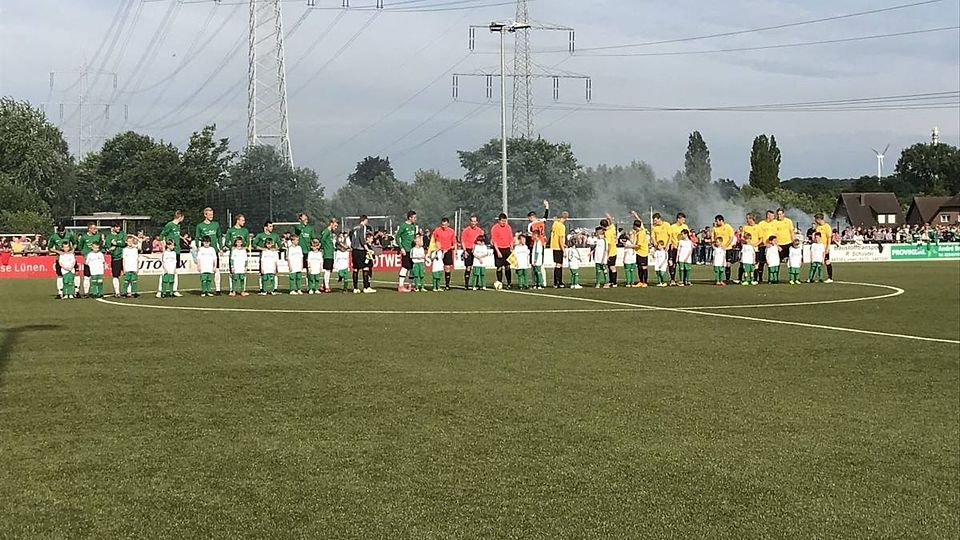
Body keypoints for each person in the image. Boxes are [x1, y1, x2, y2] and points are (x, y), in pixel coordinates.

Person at [195, 207, 223, 295]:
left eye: (212, 214)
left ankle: (218, 289)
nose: (211, 216)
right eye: (209, 214)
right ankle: (205, 290)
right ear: (205, 215)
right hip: (204, 253)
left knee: (217, 270)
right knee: (205, 271)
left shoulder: (216, 224)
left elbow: (219, 236)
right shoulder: (200, 226)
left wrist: (221, 248)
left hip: (214, 251)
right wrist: (198, 246)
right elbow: (197, 237)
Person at [48, 224, 77, 299]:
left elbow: (75, 244)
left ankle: (75, 292)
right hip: (60, 258)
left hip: (70, 258)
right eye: (60, 233)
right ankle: (60, 292)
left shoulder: (69, 235)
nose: (62, 234)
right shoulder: (54, 237)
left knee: (75, 274)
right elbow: (50, 248)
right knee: (60, 275)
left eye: (63, 232)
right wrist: (58, 251)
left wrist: (73, 250)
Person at [76, 222, 104, 297]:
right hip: (88, 260)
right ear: (89, 229)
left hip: (96, 261)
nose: (96, 230)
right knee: (87, 276)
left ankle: (96, 292)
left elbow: (100, 246)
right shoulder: (84, 237)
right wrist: (84, 254)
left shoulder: (98, 236)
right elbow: (80, 247)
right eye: (94, 228)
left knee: (96, 277)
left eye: (96, 228)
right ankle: (86, 293)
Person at [223, 214, 249, 294]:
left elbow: (247, 242)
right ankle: (232, 290)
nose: (244, 222)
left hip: (242, 254)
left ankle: (242, 290)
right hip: (234, 254)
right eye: (242, 220)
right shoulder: (230, 230)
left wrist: (244, 247)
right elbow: (226, 242)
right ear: (238, 221)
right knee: (232, 273)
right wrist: (232, 247)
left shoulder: (245, 230)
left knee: (242, 274)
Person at [253, 221, 281, 293]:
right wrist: (262, 249)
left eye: (272, 226)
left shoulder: (275, 235)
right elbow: (254, 245)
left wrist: (275, 249)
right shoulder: (260, 235)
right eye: (270, 226)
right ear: (266, 227)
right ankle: (262, 289)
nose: (272, 228)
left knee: (274, 272)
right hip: (264, 256)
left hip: (273, 256)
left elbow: (280, 245)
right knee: (262, 273)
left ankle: (274, 288)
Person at [430, 217, 457, 290]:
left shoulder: (451, 231)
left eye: (445, 225)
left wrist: (455, 251)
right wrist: (433, 249)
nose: (444, 226)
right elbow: (433, 240)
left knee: (447, 267)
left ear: (448, 224)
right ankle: (436, 285)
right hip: (439, 251)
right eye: (442, 225)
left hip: (447, 250)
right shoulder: (437, 230)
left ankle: (447, 285)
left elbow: (454, 242)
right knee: (438, 268)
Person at [395, 210, 418, 292]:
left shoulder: (413, 226)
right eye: (414, 217)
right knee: (405, 267)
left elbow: (414, 236)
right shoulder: (403, 226)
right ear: (409, 217)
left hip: (413, 250)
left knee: (412, 268)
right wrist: (401, 248)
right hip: (406, 250)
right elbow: (397, 237)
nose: (415, 219)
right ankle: (401, 286)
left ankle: (410, 285)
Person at [490, 213, 514, 289]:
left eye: (505, 221)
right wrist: (498, 251)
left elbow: (510, 239)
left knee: (508, 266)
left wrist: (511, 248)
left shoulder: (508, 227)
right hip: (499, 249)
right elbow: (494, 241)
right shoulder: (495, 228)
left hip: (507, 249)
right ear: (499, 220)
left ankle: (509, 283)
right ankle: (499, 282)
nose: (504, 223)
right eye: (502, 221)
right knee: (499, 267)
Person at [710, 214, 736, 283]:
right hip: (719, 249)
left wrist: (726, 246)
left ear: (721, 220)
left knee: (727, 264)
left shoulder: (728, 227)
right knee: (718, 263)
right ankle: (718, 279)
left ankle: (727, 279)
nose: (716, 222)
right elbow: (712, 237)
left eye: (717, 221)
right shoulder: (714, 228)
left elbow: (731, 237)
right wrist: (714, 245)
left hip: (727, 248)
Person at [461, 214, 483, 289]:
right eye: (472, 221)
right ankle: (466, 284)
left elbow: (482, 240)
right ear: (470, 222)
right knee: (468, 267)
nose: (473, 223)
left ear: (477, 222)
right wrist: (464, 251)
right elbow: (463, 241)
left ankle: (476, 284)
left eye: (475, 221)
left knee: (477, 267)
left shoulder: (479, 231)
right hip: (468, 250)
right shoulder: (466, 230)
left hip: (476, 250)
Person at [668, 212, 690, 286]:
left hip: (683, 249)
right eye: (682, 219)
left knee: (683, 264)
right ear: (678, 219)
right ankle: (672, 279)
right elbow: (670, 237)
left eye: (684, 220)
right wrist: (671, 244)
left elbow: (688, 237)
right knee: (672, 264)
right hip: (674, 247)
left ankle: (684, 280)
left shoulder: (685, 227)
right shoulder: (672, 227)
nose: (684, 221)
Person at [754, 210, 775, 283]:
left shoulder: (774, 223)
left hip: (772, 246)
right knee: (761, 262)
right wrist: (764, 243)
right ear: (768, 215)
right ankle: (760, 278)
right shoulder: (761, 224)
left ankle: (772, 279)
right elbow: (760, 235)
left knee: (771, 262)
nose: (773, 217)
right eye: (772, 216)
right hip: (763, 246)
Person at [549, 208, 568, 288]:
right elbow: (560, 238)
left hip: (554, 246)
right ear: (566, 218)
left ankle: (557, 282)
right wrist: (563, 249)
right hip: (558, 247)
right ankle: (558, 282)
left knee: (557, 264)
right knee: (559, 265)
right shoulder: (562, 226)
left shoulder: (555, 224)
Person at [738, 213, 759, 284]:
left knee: (754, 265)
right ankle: (741, 279)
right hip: (746, 248)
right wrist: (746, 242)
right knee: (743, 264)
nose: (747, 220)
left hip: (754, 248)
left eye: (748, 218)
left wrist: (754, 245)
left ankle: (754, 279)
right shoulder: (745, 227)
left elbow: (761, 238)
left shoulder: (758, 227)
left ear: (752, 219)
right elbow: (742, 237)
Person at [814, 213, 834, 283]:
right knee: (818, 262)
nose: (815, 221)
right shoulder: (818, 227)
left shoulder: (827, 226)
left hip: (824, 246)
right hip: (818, 247)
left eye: (816, 219)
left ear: (819, 219)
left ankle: (830, 277)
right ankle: (820, 277)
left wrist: (828, 247)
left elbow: (829, 238)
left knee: (827, 261)